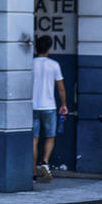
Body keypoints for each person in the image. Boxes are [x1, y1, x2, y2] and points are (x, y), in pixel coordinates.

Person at [32, 35, 68, 182]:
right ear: (49, 49)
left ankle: (33, 172)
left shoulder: (30, 64)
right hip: (49, 106)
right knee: (50, 136)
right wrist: (64, 104)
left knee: (33, 140)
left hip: (32, 106)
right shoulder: (54, 65)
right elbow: (61, 88)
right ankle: (45, 162)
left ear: (35, 48)